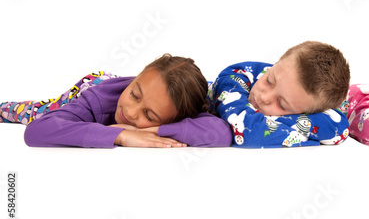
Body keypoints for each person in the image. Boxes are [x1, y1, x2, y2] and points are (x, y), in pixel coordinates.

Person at [0, 54, 232, 148]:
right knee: (35, 111)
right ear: (138, 77)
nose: (130, 113)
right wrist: (123, 134)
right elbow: (37, 131)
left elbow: (221, 133)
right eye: (134, 94)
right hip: (90, 88)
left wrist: (154, 129)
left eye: (149, 115)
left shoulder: (185, 103)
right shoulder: (97, 100)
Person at [208, 41, 351, 147]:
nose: (264, 97)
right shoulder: (236, 75)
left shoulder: (301, 98)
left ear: (307, 113)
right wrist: (301, 134)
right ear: (275, 64)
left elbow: (340, 129)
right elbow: (250, 133)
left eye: (281, 104)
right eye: (269, 80)